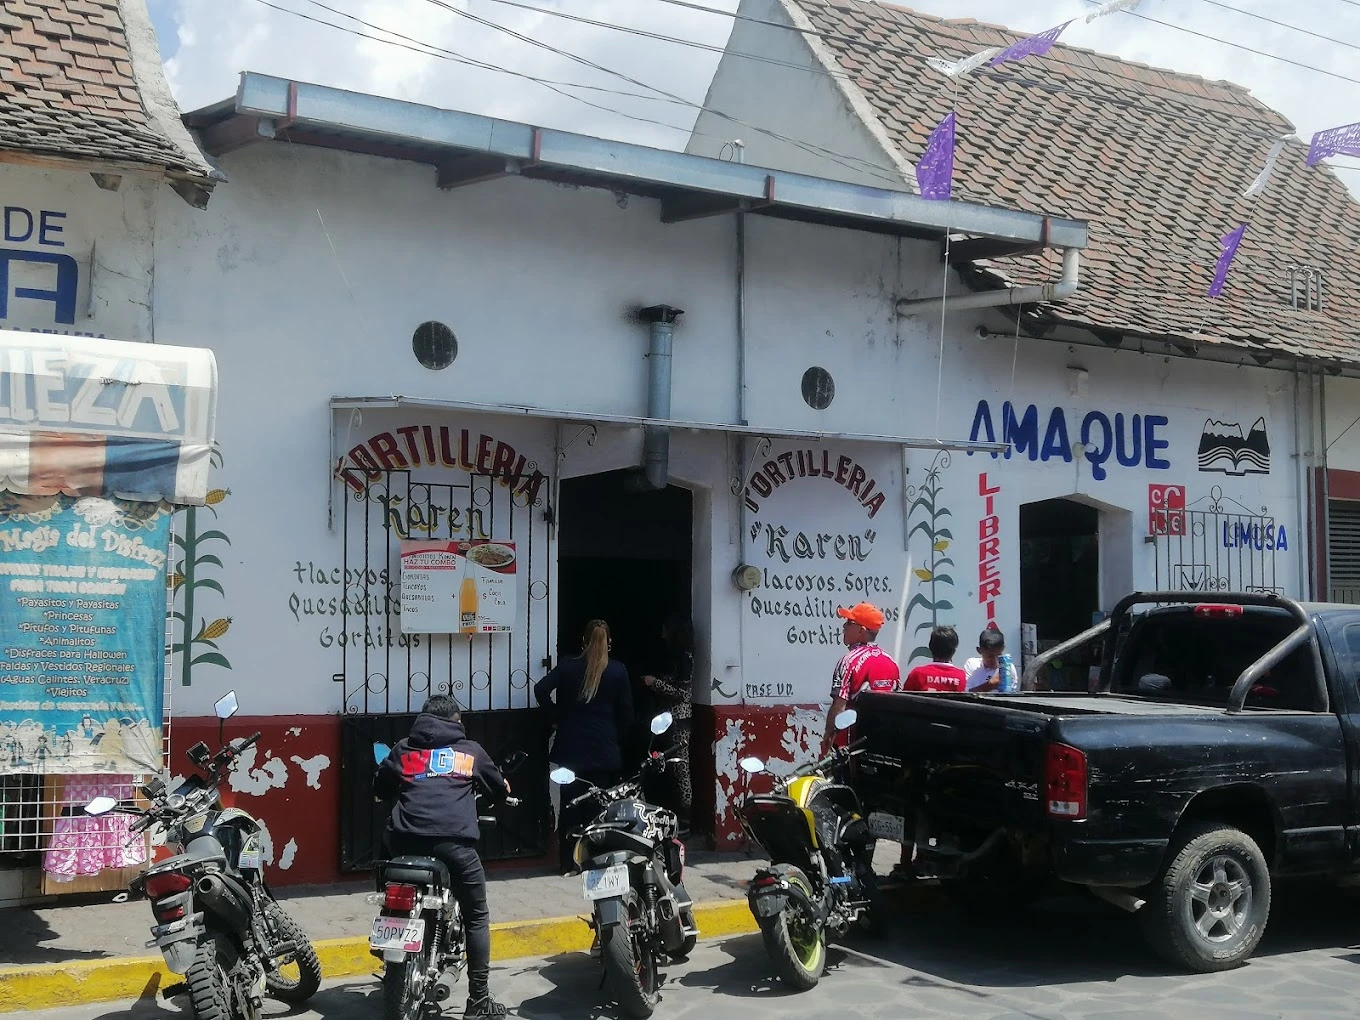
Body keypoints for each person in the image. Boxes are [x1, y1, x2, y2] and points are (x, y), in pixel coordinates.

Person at [372, 695, 510, 1019]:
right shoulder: (470, 752)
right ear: (457, 720)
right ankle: (478, 1002)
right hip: (454, 844)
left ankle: (387, 910)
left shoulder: (403, 749)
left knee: (386, 853)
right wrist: (501, 788)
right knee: (477, 917)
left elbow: (380, 788)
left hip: (404, 842)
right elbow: (497, 790)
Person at [535, 619, 633, 875]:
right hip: (603, 750)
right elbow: (626, 714)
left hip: (571, 747)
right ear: (609, 642)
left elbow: (541, 689)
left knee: (570, 805)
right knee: (600, 808)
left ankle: (568, 863)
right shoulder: (618, 671)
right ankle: (596, 861)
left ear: (583, 641)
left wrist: (557, 716)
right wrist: (616, 738)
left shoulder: (568, 666)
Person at [642, 613, 694, 838]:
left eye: (665, 630)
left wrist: (655, 683)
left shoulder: (684, 659)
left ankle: (686, 818)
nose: (662, 635)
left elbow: (681, 693)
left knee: (681, 770)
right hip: (670, 721)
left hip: (679, 721)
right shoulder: (676, 657)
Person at [823, 601, 900, 751]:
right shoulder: (891, 662)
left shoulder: (848, 661)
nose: (844, 627)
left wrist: (829, 733)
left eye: (849, 623)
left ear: (861, 630)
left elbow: (839, 705)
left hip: (851, 745)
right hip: (883, 743)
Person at [901, 625, 968, 692]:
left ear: (930, 647)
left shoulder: (917, 674)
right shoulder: (960, 676)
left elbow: (903, 697)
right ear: (954, 651)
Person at [963, 627, 1019, 693]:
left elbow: (1011, 693)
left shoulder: (1008, 668)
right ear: (979, 650)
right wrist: (990, 685)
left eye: (999, 655)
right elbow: (966, 693)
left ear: (1003, 649)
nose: (995, 660)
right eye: (990, 656)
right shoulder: (972, 666)